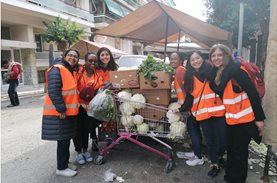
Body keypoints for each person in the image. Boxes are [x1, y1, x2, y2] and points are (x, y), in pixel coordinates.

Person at [208, 44, 265, 183]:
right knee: (231, 151)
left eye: (220, 55)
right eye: (213, 55)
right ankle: (230, 178)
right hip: (232, 119)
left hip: (245, 120)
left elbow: (252, 94)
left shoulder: (237, 71)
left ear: (226, 55)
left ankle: (238, 180)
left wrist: (259, 119)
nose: (216, 58)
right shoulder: (219, 73)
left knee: (239, 154)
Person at [177, 51, 226, 177]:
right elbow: (190, 97)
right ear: (189, 62)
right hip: (203, 114)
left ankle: (220, 157)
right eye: (192, 60)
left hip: (219, 111)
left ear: (202, 59)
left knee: (222, 139)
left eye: (197, 58)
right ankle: (214, 164)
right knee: (209, 141)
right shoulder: (189, 77)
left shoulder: (212, 71)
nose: (196, 61)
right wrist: (181, 108)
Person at [41, 49, 80, 177]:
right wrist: (61, 109)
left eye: (75, 56)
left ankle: (64, 163)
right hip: (59, 113)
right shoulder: (57, 69)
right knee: (63, 140)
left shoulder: (67, 69)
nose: (72, 58)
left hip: (67, 112)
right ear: (64, 56)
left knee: (66, 139)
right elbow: (53, 91)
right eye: (70, 55)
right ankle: (61, 168)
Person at [73, 52, 103, 164]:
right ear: (85, 61)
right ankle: (78, 152)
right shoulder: (78, 71)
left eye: (95, 61)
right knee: (76, 130)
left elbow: (98, 91)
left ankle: (85, 150)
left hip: (88, 108)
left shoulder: (98, 76)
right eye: (90, 61)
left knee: (85, 129)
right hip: (76, 105)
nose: (93, 63)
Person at [89, 47, 118, 151]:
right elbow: (93, 82)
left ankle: (110, 139)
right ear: (99, 57)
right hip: (97, 98)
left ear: (110, 56)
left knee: (111, 119)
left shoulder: (114, 68)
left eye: (107, 54)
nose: (105, 57)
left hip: (111, 97)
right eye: (102, 55)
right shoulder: (95, 69)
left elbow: (118, 82)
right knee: (94, 119)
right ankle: (94, 139)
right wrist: (103, 86)